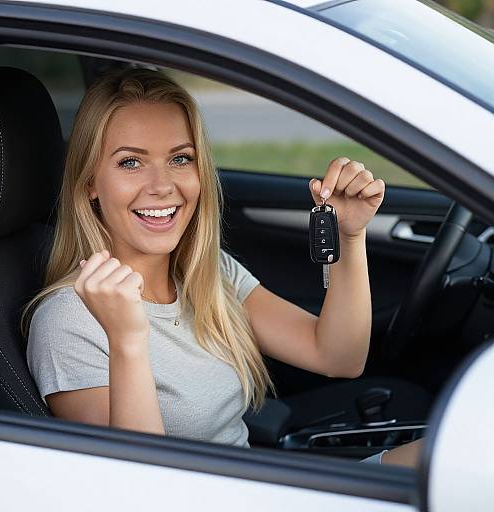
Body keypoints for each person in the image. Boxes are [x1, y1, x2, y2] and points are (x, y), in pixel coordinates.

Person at [23, 66, 414, 466]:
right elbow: (139, 487)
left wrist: (350, 237)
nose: (162, 185)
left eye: (180, 158)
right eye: (130, 163)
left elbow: (338, 357)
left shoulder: (207, 273)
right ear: (90, 182)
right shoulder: (69, 320)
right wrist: (127, 340)